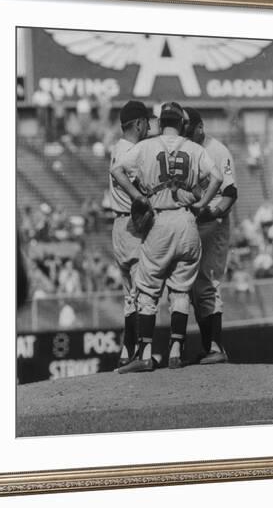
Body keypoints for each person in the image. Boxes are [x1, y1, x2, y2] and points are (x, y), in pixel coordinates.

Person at [112, 102, 222, 373]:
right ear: (181, 123)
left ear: (161, 122)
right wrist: (202, 204)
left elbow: (117, 171)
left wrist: (137, 196)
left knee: (148, 289)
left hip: (160, 219)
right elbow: (217, 177)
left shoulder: (147, 146)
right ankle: (176, 350)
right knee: (181, 289)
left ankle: (145, 353)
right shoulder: (195, 148)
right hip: (187, 221)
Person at [183, 107, 238, 364]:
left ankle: (217, 347)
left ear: (200, 127)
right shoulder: (189, 149)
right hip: (197, 221)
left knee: (209, 282)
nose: (185, 134)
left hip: (214, 222)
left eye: (188, 129)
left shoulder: (217, 150)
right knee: (195, 288)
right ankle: (209, 347)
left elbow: (230, 193)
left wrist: (212, 212)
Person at [109, 100, 151, 367]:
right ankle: (140, 354)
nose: (149, 125)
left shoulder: (117, 147)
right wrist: (141, 197)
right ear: (138, 124)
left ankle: (127, 351)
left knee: (129, 293)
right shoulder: (133, 152)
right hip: (132, 225)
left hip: (118, 224)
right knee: (142, 289)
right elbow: (142, 184)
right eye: (146, 121)